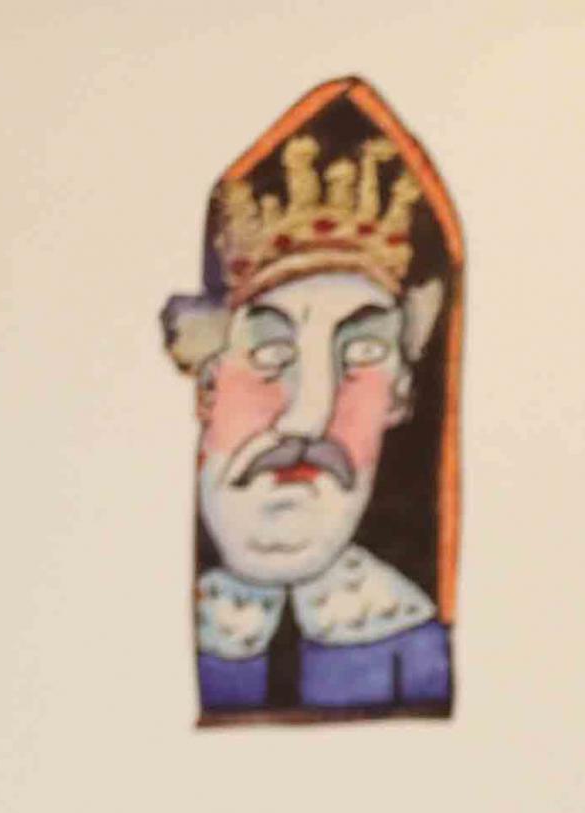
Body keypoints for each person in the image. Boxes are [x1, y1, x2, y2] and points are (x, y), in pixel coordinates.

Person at [164, 87, 458, 721]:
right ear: (207, 383)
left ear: (400, 395)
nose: (310, 414)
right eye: (271, 354)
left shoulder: (411, 645)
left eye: (362, 356)